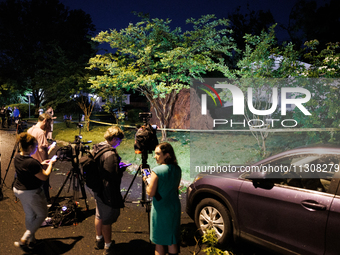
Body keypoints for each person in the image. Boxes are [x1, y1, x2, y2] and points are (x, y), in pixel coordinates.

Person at [13, 132, 57, 252]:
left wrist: (41, 164)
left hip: (19, 190)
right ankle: (24, 239)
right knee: (42, 214)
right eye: (36, 147)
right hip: (30, 192)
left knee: (30, 215)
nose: (37, 149)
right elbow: (44, 176)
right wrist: (51, 164)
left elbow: (28, 169)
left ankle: (32, 242)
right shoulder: (31, 162)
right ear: (31, 147)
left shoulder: (18, 157)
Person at [92, 126, 125, 255]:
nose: (120, 143)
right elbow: (112, 176)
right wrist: (121, 169)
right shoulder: (110, 153)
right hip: (106, 190)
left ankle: (99, 239)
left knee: (99, 214)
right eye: (119, 140)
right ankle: (108, 247)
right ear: (114, 139)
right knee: (107, 219)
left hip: (97, 187)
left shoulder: (98, 147)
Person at [146, 142, 182, 255]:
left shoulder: (157, 171)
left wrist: (147, 182)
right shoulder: (177, 169)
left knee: (159, 241)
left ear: (166, 155)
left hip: (161, 209)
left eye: (157, 153)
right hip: (174, 206)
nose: (154, 156)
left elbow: (151, 193)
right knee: (172, 240)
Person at [27, 113, 56, 202]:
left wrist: (46, 132)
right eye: (49, 124)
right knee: (44, 186)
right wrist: (47, 163)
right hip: (40, 164)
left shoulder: (30, 130)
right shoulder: (40, 132)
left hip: (31, 162)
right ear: (45, 121)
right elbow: (42, 150)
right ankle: (46, 204)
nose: (49, 126)